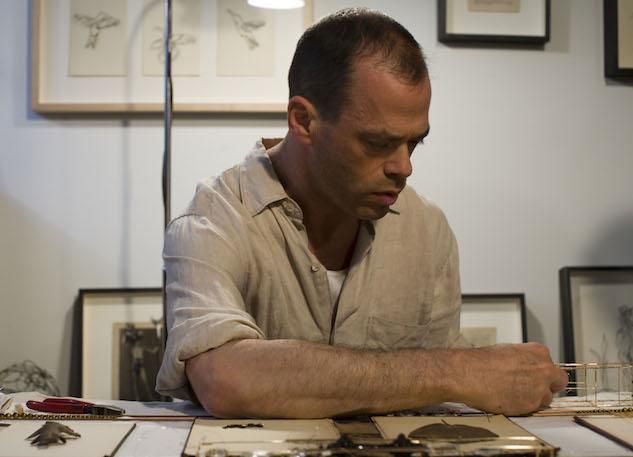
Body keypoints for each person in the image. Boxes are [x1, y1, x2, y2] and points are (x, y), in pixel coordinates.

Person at [156, 8, 567, 418]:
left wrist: (455, 376)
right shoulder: (213, 221)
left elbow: (435, 403)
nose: (404, 167)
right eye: (377, 143)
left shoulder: (427, 228)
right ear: (304, 121)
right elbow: (224, 380)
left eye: (414, 143)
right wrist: (456, 370)